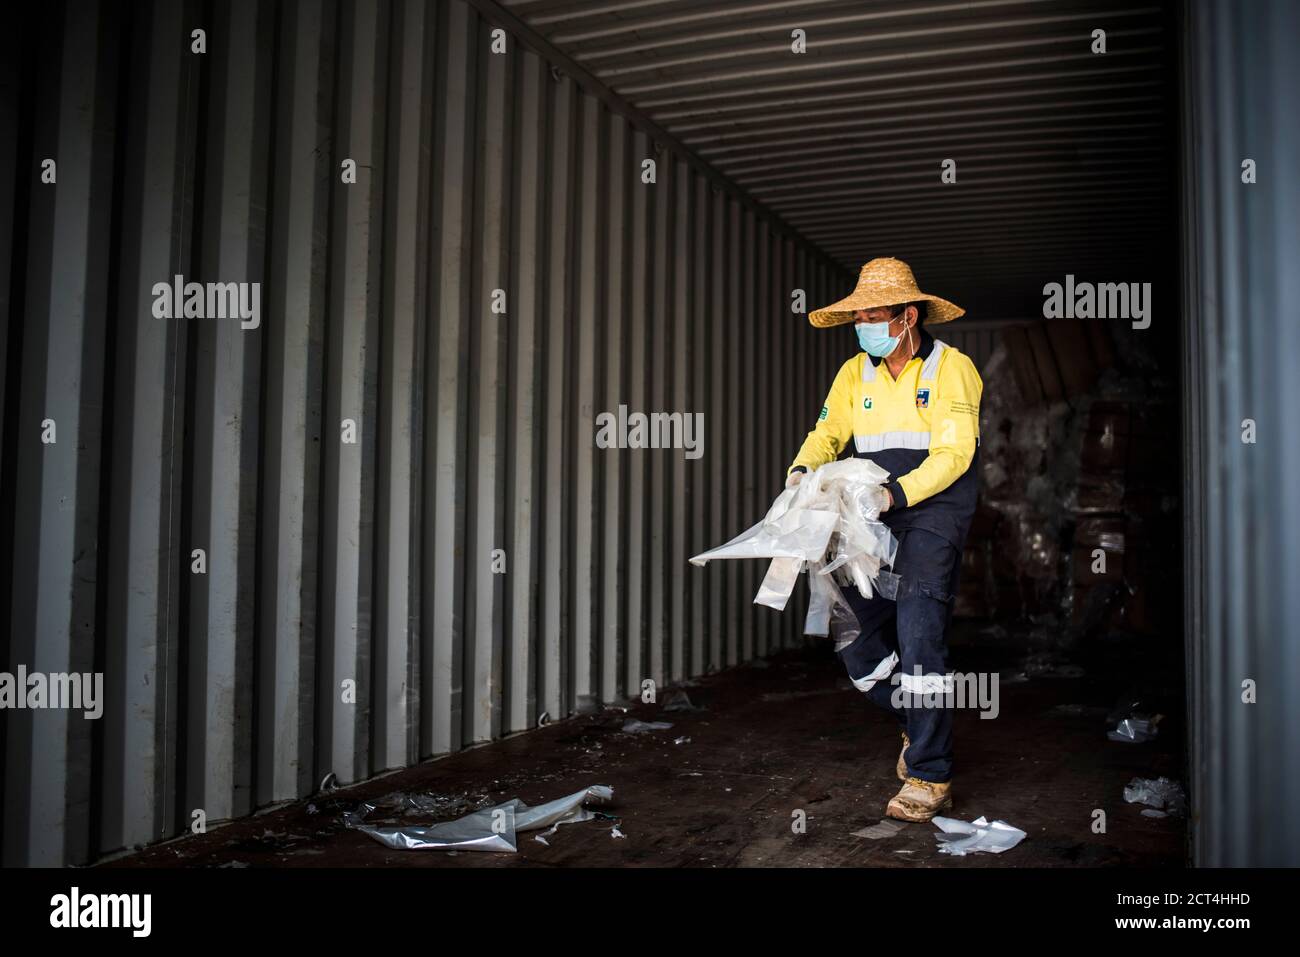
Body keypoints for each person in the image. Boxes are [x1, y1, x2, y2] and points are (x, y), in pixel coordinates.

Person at [786, 257, 983, 822]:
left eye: (875, 315)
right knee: (856, 634)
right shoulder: (854, 373)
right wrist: (802, 473)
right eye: (859, 317)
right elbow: (826, 434)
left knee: (919, 628)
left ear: (908, 317)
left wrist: (895, 495)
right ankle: (913, 722)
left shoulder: (952, 369)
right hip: (868, 508)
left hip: (932, 509)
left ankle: (930, 770)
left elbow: (954, 455)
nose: (865, 325)